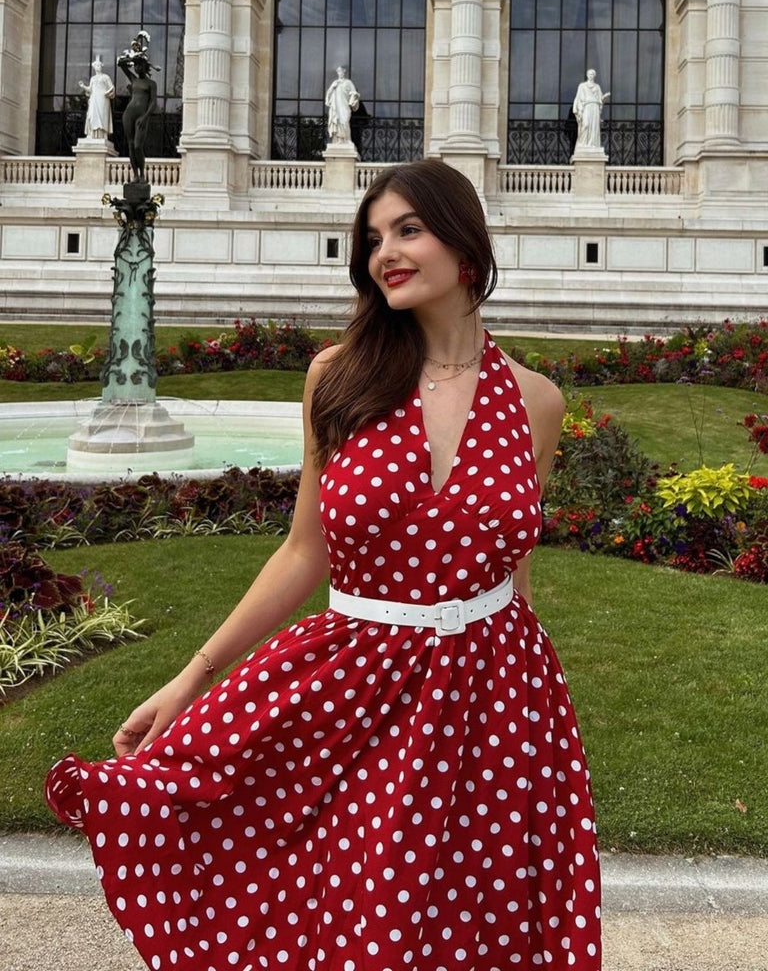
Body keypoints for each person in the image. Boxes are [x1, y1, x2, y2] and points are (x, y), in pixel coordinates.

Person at [46, 159, 602, 971]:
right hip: (360, 682)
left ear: (465, 245)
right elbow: (305, 550)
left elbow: (513, 567)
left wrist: (527, 703)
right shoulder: (338, 379)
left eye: (408, 229)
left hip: (496, 694)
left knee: (475, 918)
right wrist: (192, 676)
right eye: (373, 239)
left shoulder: (536, 401)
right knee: (360, 904)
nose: (386, 253)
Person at [117, 51, 157, 182]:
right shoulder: (133, 79)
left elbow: (153, 103)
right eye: (135, 66)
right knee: (130, 145)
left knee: (137, 146)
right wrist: (132, 58)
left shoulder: (151, 84)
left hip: (141, 116)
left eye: (139, 65)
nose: (136, 68)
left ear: (145, 66)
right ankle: (135, 175)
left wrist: (145, 117)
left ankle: (142, 174)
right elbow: (120, 64)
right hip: (129, 115)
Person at [573, 69, 610, 150]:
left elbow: (600, 99)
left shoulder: (597, 87)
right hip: (587, 106)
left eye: (592, 74)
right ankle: (582, 143)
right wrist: (579, 110)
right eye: (589, 74)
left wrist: (604, 98)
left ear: (594, 76)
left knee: (594, 127)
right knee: (585, 124)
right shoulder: (582, 86)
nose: (591, 75)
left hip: (595, 107)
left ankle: (593, 144)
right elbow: (578, 98)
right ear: (587, 75)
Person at [79, 58, 115, 139]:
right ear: (94, 67)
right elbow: (90, 89)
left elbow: (112, 87)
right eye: (97, 65)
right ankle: (92, 134)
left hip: (103, 99)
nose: (98, 67)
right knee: (91, 115)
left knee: (102, 116)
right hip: (94, 98)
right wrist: (83, 86)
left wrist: (108, 92)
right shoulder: (93, 78)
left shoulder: (105, 77)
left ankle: (102, 135)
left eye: (99, 65)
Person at [325, 65, 360, 143]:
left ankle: (347, 139)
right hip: (336, 107)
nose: (339, 73)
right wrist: (332, 88)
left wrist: (354, 96)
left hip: (344, 106)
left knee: (345, 121)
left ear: (344, 72)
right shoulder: (335, 83)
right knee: (338, 121)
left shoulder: (348, 82)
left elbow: (354, 93)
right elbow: (328, 95)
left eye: (341, 71)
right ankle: (338, 139)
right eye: (338, 72)